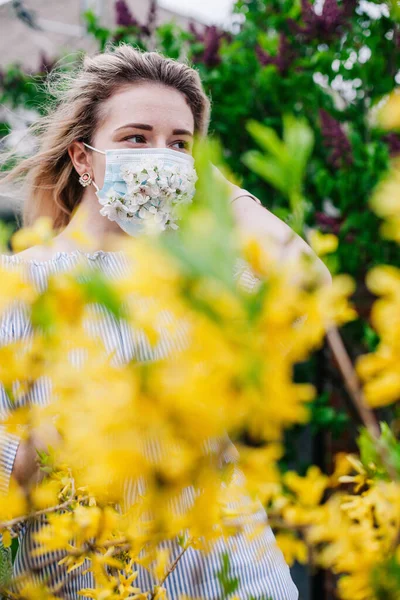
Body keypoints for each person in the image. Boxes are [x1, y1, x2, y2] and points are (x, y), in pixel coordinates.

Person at [0, 43, 329, 599]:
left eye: (180, 144)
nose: (161, 157)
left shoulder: (198, 273)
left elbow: (308, 287)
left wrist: (217, 191)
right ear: (83, 159)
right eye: (136, 138)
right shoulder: (18, 284)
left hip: (245, 582)